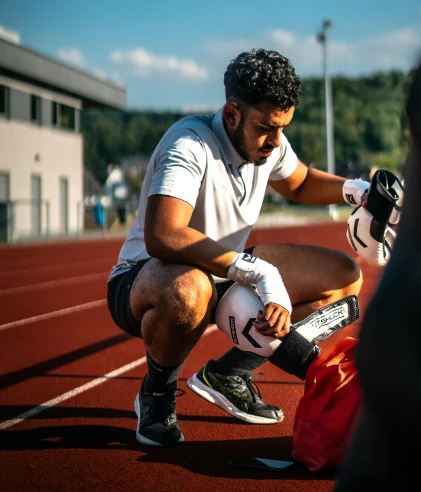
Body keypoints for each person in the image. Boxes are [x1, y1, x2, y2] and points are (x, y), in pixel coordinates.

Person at [107, 48, 368, 447]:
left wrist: (356, 190)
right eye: (267, 127)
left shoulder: (268, 141)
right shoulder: (189, 144)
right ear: (231, 114)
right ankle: (157, 393)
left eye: (283, 127)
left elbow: (298, 183)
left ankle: (229, 374)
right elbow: (165, 235)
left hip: (222, 274)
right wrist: (257, 271)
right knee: (189, 289)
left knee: (343, 277)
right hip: (150, 278)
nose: (276, 141)